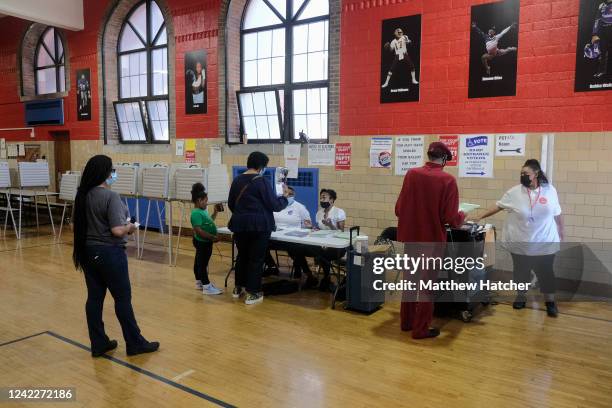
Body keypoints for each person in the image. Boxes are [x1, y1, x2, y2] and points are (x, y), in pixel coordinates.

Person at [73, 155, 159, 357]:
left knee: (94, 298)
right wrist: (131, 227)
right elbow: (117, 230)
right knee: (122, 299)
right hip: (110, 254)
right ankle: (135, 343)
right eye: (112, 170)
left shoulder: (82, 195)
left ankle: (99, 343)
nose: (114, 174)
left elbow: (75, 225)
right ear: (104, 173)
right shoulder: (110, 197)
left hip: (88, 253)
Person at [476, 159, 564, 317]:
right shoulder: (515, 192)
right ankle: (521, 296)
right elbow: (498, 206)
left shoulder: (550, 190)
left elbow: (557, 213)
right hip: (520, 242)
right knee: (521, 272)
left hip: (545, 242)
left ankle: (550, 302)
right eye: (521, 173)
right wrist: (479, 216)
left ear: (536, 173)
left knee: (546, 273)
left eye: (526, 173)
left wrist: (561, 231)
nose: (522, 176)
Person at [395, 142, 465, 339]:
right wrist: (462, 216)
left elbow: (399, 209)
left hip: (411, 238)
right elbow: (450, 218)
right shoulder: (447, 180)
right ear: (444, 159)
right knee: (427, 287)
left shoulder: (411, 174)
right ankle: (420, 329)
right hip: (432, 241)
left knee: (410, 282)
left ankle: (406, 322)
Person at [228, 152, 289, 305]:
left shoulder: (237, 180)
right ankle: (253, 293)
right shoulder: (261, 181)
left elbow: (231, 204)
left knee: (242, 256)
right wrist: (285, 198)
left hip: (240, 225)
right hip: (259, 226)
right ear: (261, 167)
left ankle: (238, 288)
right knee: (256, 259)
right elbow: (274, 205)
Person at [264, 187, 319, 288]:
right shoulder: (276, 206)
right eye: (286, 193)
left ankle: (308, 274)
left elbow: (307, 225)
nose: (287, 196)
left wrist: (307, 228)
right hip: (276, 235)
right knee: (261, 244)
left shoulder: (300, 207)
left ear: (293, 196)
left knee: (295, 249)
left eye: (290, 194)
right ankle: (272, 266)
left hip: (292, 238)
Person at [190, 182, 223, 295]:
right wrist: (213, 238)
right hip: (203, 242)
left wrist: (215, 212)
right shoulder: (196, 213)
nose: (207, 203)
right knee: (202, 264)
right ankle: (206, 286)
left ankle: (199, 282)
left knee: (198, 262)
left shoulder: (201, 211)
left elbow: (208, 223)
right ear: (199, 200)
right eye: (205, 201)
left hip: (205, 242)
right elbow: (199, 231)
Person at [314, 189, 346, 292]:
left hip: (336, 246)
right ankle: (320, 277)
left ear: (331, 200)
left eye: (324, 197)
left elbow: (341, 232)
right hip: (322, 243)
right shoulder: (319, 213)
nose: (321, 200)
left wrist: (331, 225)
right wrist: (312, 228)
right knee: (307, 249)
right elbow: (319, 229)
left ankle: (326, 277)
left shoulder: (339, 212)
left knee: (322, 254)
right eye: (321, 197)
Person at [588, 0, 612, 79]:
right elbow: (597, 20)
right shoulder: (601, 5)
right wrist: (594, 34)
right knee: (603, 50)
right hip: (604, 30)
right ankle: (601, 71)